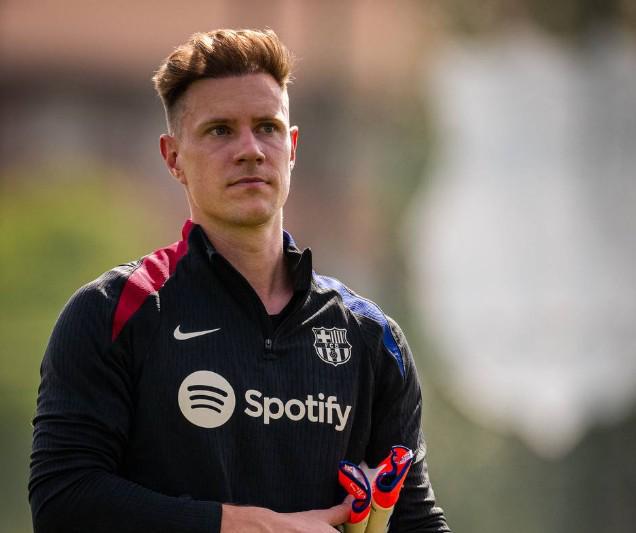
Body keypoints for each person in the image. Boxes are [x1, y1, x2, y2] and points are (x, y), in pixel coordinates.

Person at [29, 29, 451, 533]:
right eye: (220, 131)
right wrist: (256, 526)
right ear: (173, 158)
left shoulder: (372, 338)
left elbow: (414, 520)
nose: (250, 150)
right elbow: (63, 500)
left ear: (291, 148)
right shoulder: (113, 312)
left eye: (267, 127)